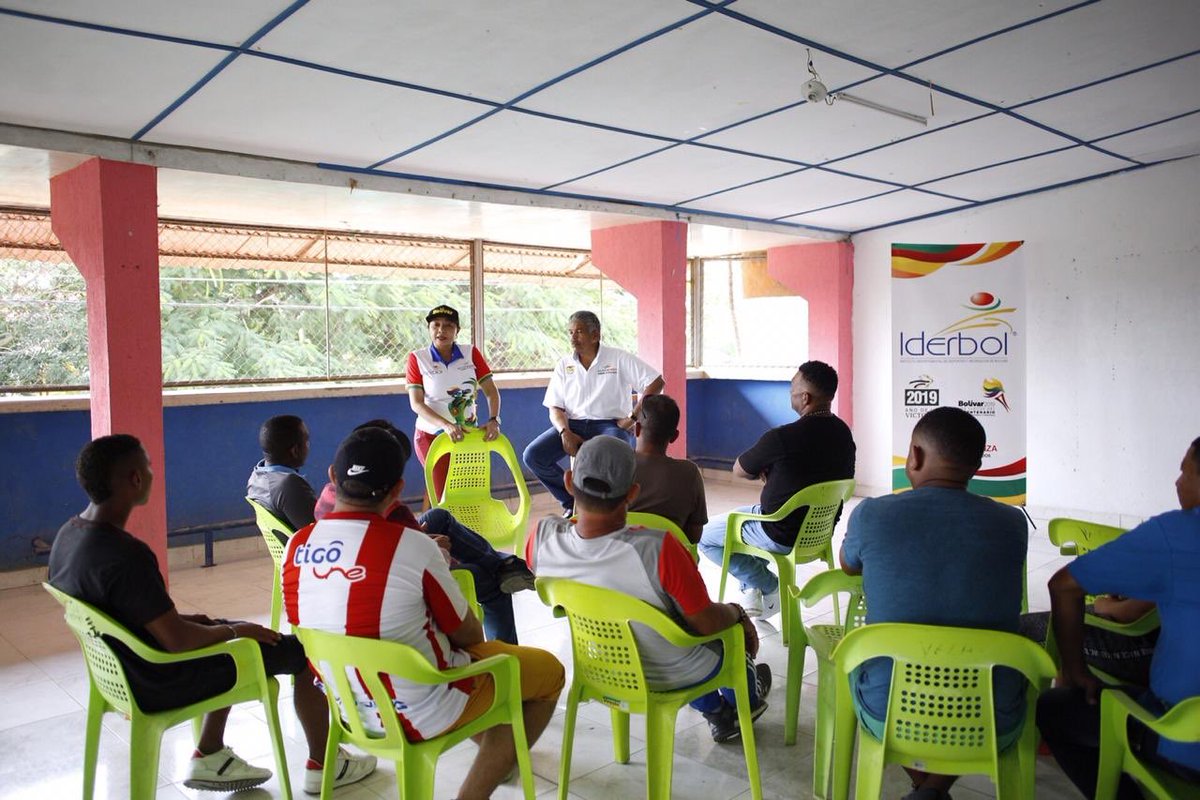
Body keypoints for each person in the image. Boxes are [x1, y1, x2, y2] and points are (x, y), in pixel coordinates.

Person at [49, 434, 376, 794]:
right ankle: (324, 765)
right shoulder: (127, 555)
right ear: (136, 479)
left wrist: (209, 624)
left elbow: (128, 616)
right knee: (298, 652)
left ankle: (211, 752)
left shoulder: (69, 535)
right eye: (148, 466)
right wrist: (238, 630)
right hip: (158, 680)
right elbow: (177, 642)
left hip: (121, 671)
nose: (152, 473)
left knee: (218, 628)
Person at [284, 427, 564, 800]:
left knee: (493, 687)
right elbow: (470, 637)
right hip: (425, 709)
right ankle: (482, 782)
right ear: (397, 491)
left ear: (333, 478)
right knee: (548, 675)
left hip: (347, 707)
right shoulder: (412, 547)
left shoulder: (296, 546)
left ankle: (499, 753)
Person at [526, 436, 772, 743]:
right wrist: (737, 612)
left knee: (666, 632)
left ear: (567, 482)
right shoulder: (659, 549)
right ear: (632, 493)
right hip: (671, 675)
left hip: (602, 668)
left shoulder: (541, 538)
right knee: (725, 632)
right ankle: (745, 703)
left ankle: (717, 712)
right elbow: (704, 623)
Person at [839, 407, 1028, 800]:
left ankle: (926, 788)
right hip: (992, 717)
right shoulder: (1012, 525)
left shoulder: (872, 514)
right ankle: (932, 791)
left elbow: (849, 565)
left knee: (862, 665)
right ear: (975, 466)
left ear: (915, 456)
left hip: (889, 711)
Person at [1037, 437, 1200, 799]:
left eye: (1185, 472)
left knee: (1054, 709)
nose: (1177, 482)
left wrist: (1076, 672)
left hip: (1183, 740)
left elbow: (1064, 585)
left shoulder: (1176, 535)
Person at [311, 419, 535, 644]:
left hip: (365, 560)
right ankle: (505, 644)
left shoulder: (325, 500)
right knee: (489, 580)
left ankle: (503, 563)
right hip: (400, 577)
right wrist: (431, 547)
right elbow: (420, 560)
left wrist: (420, 539)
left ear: (334, 474)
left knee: (438, 516)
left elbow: (385, 541)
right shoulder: (395, 513)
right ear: (398, 487)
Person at [698, 360, 855, 617]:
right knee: (741, 518)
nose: (789, 392)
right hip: (820, 534)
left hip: (777, 531)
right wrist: (779, 475)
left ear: (805, 397)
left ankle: (768, 585)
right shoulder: (843, 434)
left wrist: (769, 470)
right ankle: (755, 588)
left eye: (792, 387)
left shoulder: (783, 437)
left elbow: (739, 469)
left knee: (706, 536)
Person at [522, 310, 664, 516]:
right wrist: (564, 432)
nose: (573, 337)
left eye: (579, 332)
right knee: (533, 456)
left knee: (619, 456)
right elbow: (555, 407)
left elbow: (656, 382)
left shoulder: (618, 358)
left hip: (609, 425)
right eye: (570, 332)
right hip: (573, 425)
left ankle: (614, 507)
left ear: (595, 334)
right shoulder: (564, 364)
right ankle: (573, 502)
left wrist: (633, 417)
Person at [406, 304, 501, 500]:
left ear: (457, 331)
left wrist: (494, 419)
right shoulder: (418, 358)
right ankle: (437, 528)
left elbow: (491, 392)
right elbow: (416, 404)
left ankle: (463, 529)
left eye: (449, 326)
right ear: (429, 329)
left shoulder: (471, 353)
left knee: (470, 492)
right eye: (436, 325)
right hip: (432, 436)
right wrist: (446, 426)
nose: (441, 330)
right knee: (443, 494)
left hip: (468, 434)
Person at [629, 393, 708, 543]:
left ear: (637, 429)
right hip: (668, 563)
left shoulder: (613, 465)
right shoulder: (689, 474)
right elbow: (694, 537)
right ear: (674, 437)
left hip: (618, 561)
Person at [246, 414, 317, 533]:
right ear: (295, 451)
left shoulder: (256, 477)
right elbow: (320, 534)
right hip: (304, 549)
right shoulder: (289, 485)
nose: (308, 446)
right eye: (306, 442)